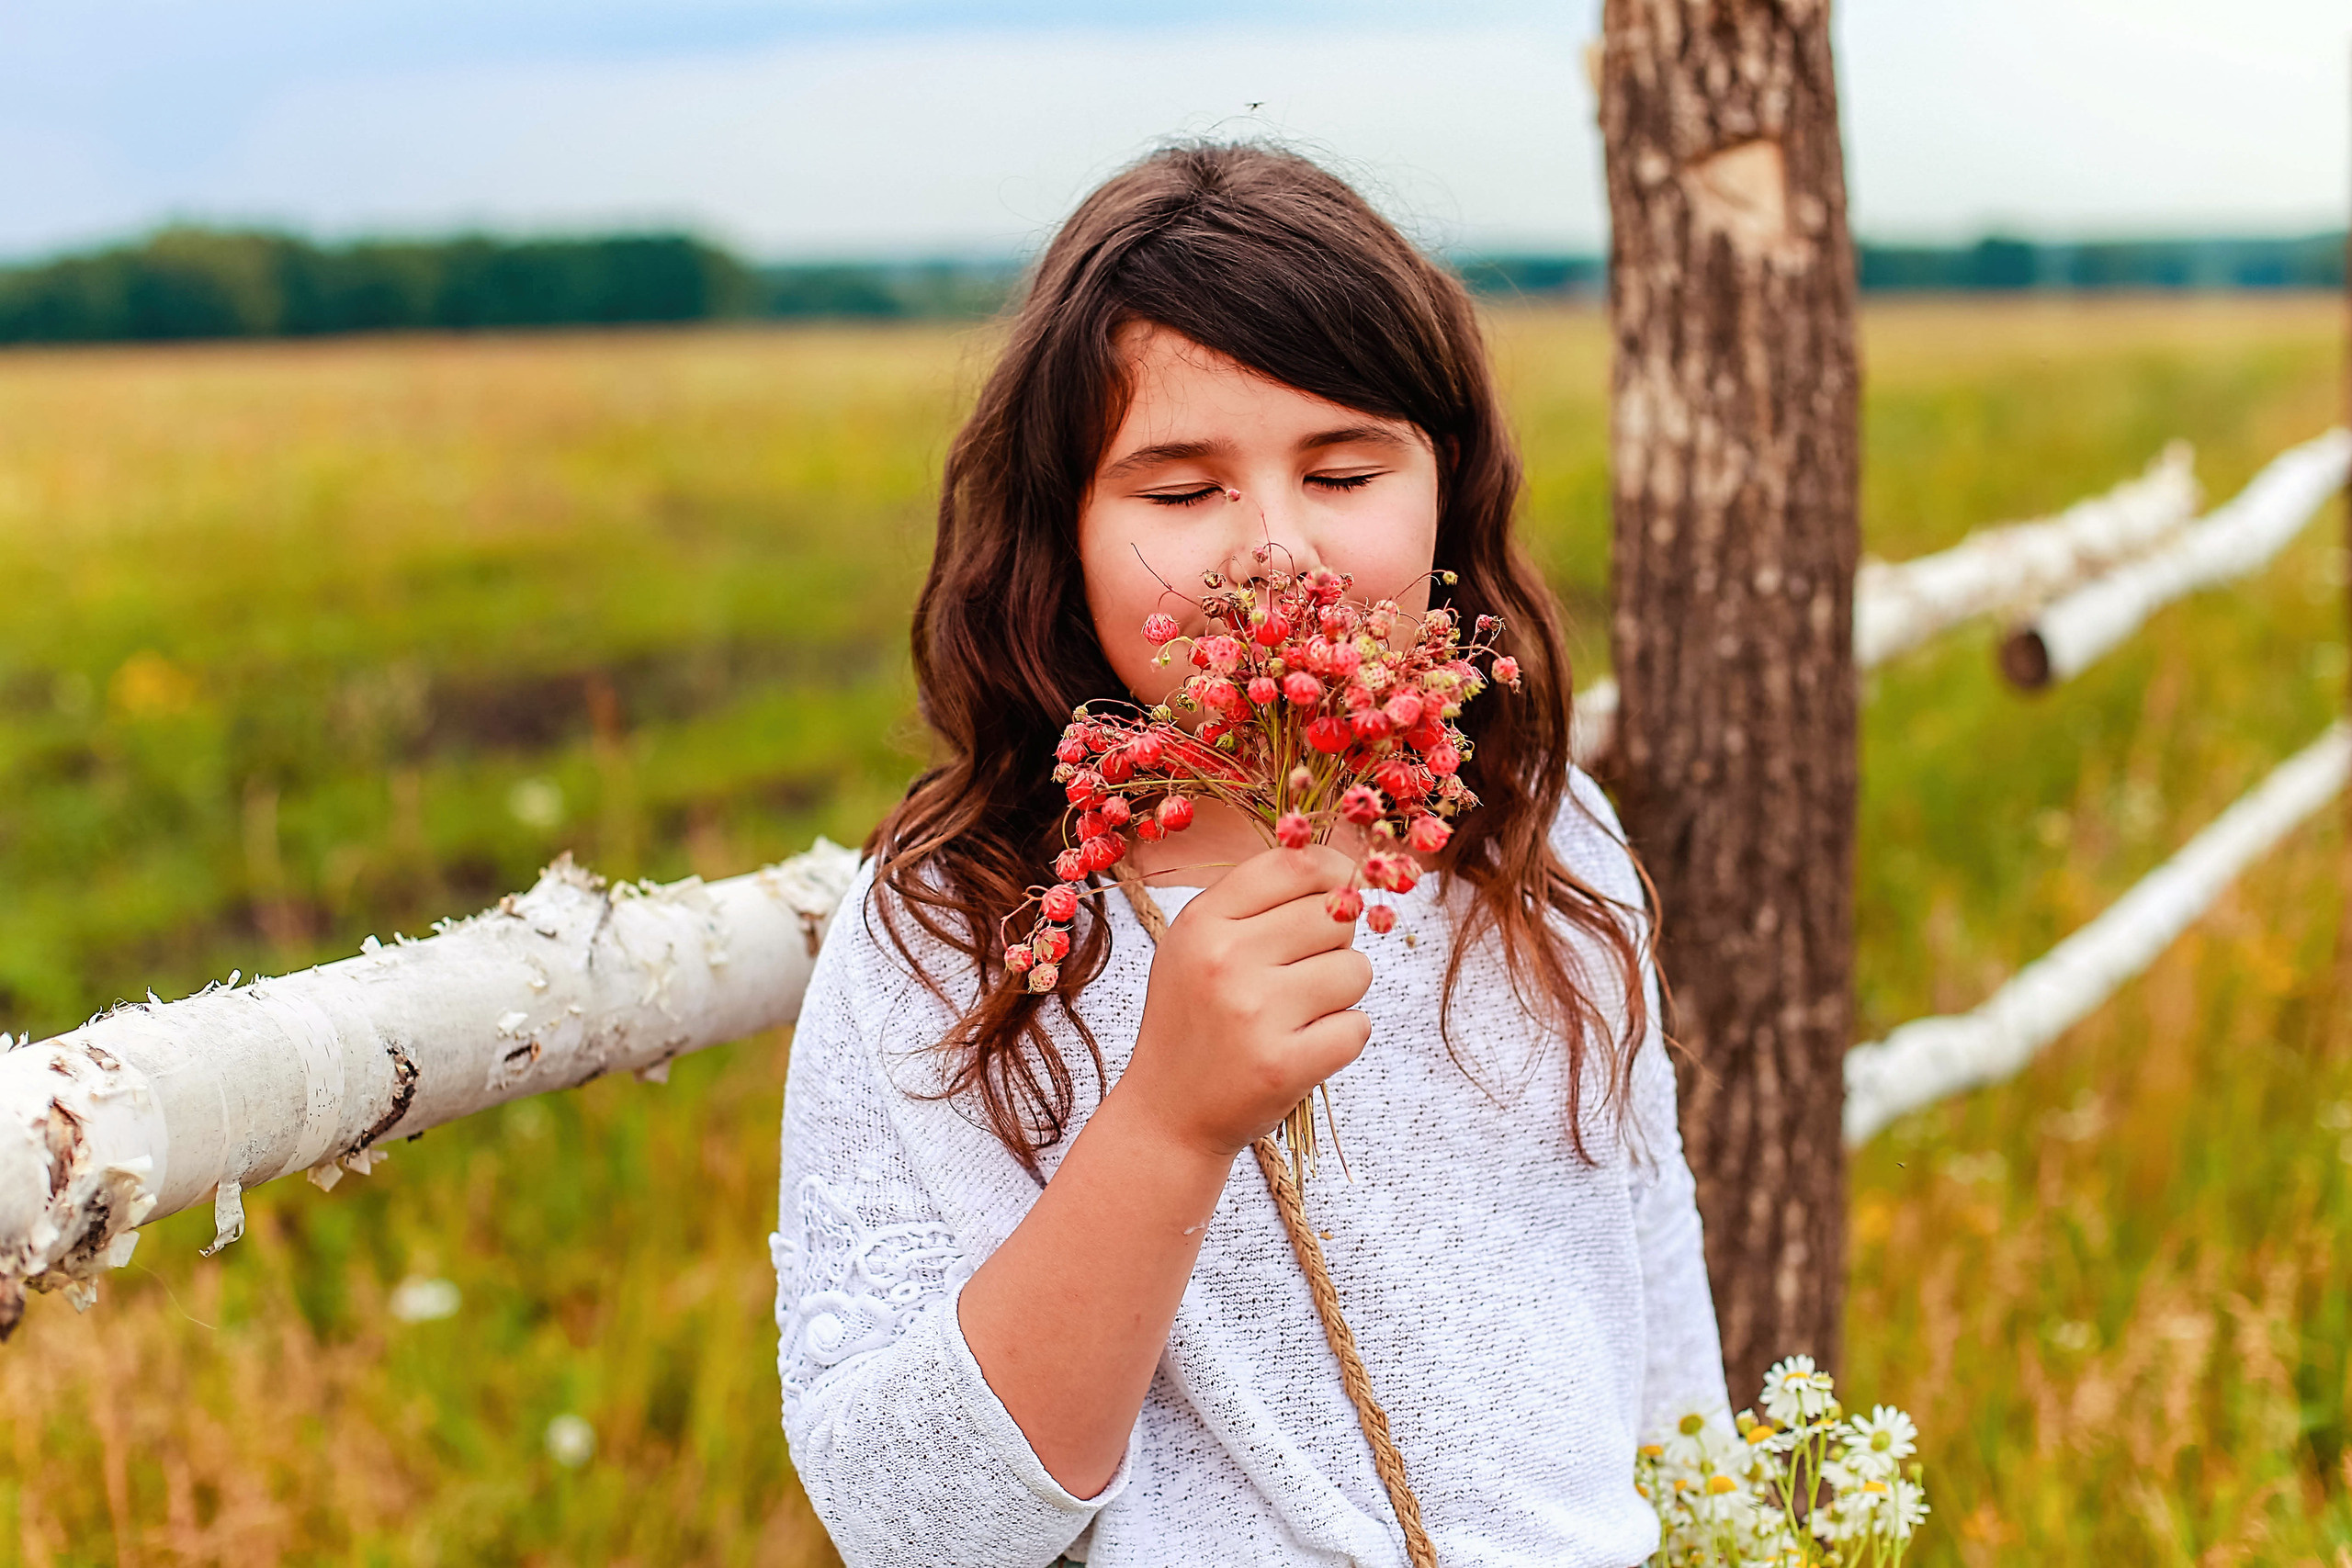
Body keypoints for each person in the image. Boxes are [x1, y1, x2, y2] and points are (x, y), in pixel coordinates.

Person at [773, 142, 1729, 1568]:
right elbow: (918, 1526)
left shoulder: (1538, 844)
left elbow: (1650, 1311)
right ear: (1061, 531)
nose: (1277, 555)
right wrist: (1168, 1122)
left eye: (1344, 472)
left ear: (1447, 494)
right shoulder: (962, 926)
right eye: (1178, 493)